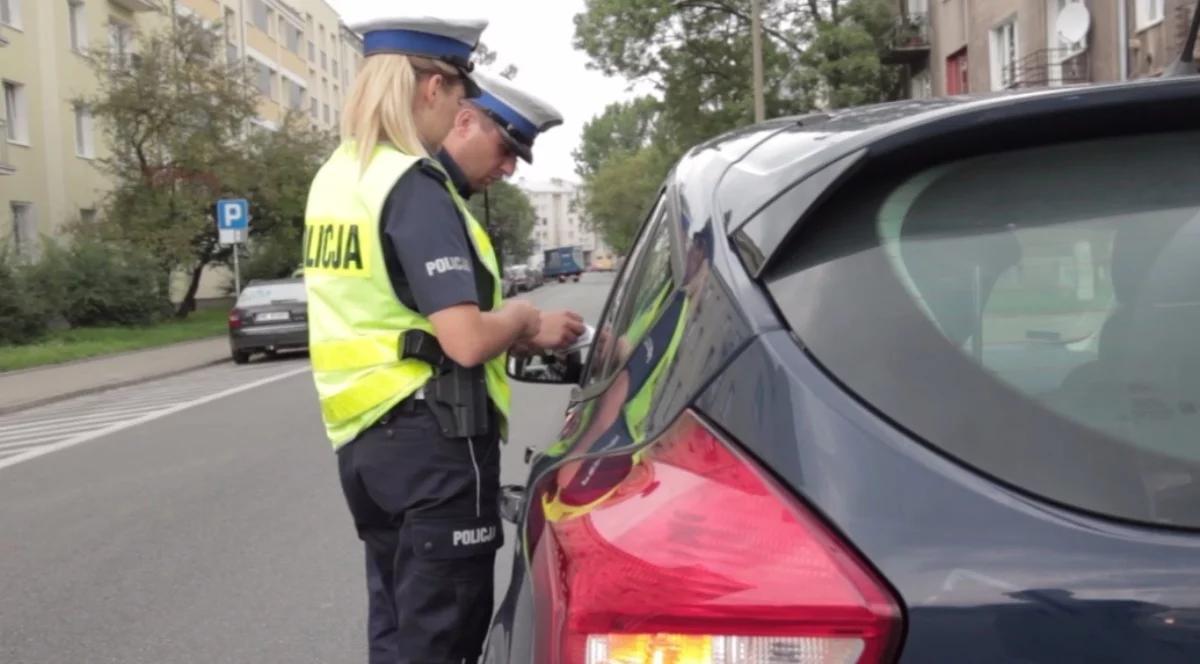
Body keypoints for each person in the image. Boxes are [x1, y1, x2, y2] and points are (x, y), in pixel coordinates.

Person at [300, 14, 583, 664]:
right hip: (434, 446)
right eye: (461, 93)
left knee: (398, 635)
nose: (461, 107)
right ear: (431, 88)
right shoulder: (412, 185)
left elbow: (393, 316)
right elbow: (461, 340)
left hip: (365, 448)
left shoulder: (339, 177)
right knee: (445, 642)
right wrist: (516, 318)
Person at [436, 72, 583, 352]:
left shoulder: (444, 196)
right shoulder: (425, 197)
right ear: (465, 122)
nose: (509, 169)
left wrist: (521, 337)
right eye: (504, 150)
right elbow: (467, 342)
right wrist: (524, 321)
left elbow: (427, 325)